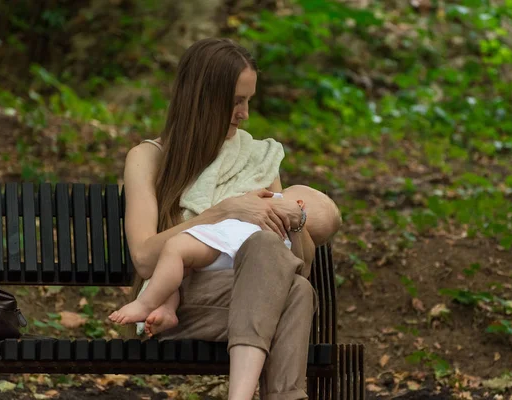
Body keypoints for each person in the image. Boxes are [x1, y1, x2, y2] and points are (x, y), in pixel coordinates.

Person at [121, 37, 341, 400]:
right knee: (295, 293)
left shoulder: (256, 158)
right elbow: (144, 258)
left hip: (252, 293)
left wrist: (296, 222)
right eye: (237, 101)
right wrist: (223, 211)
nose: (245, 114)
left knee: (292, 280)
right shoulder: (149, 158)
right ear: (203, 98)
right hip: (179, 299)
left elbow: (297, 264)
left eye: (248, 101)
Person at [109, 185, 340, 337]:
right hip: (237, 264)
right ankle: (168, 309)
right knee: (179, 271)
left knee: (174, 249)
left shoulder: (276, 202)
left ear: (299, 204)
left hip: (224, 246)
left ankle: (146, 303)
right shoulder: (289, 242)